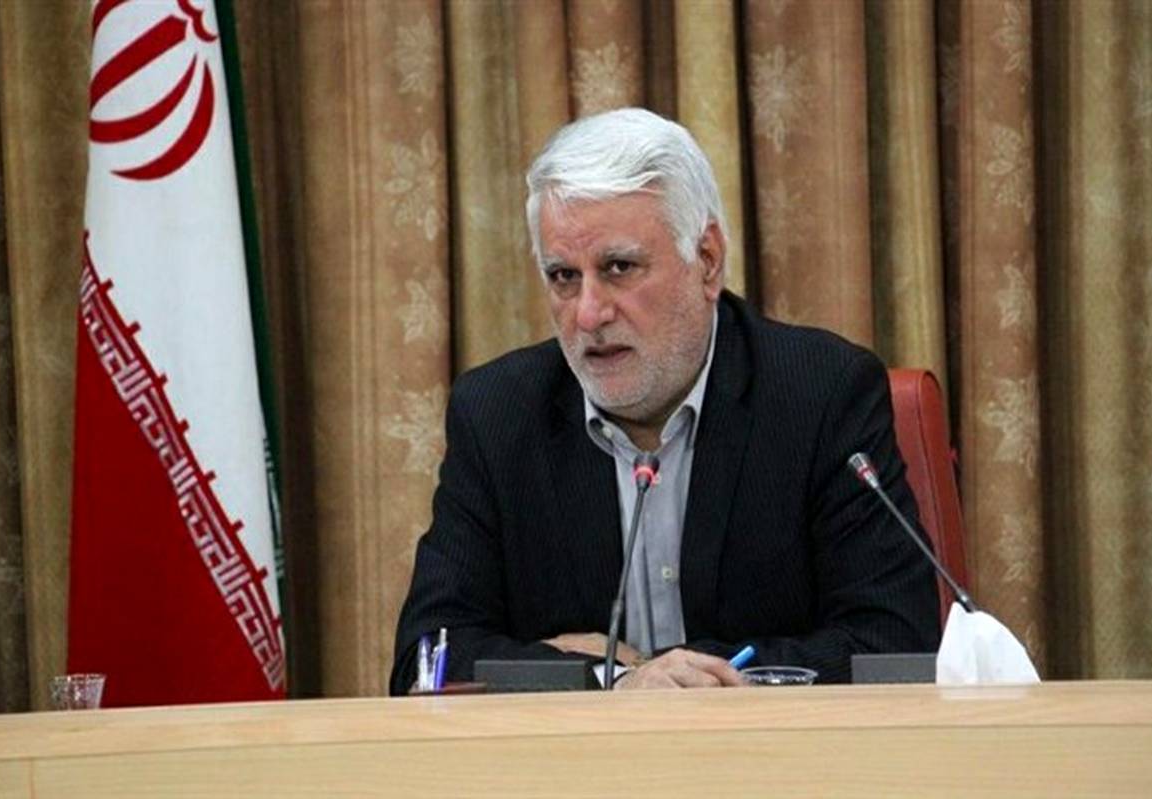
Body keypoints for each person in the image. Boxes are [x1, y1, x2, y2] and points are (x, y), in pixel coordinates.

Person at [390, 108, 939, 694]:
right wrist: (613, 679)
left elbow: (896, 641)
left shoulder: (821, 392)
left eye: (618, 268)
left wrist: (678, 676)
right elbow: (426, 661)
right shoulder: (498, 414)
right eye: (564, 277)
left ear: (706, 261)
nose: (589, 314)